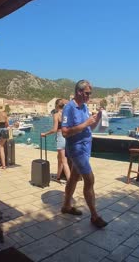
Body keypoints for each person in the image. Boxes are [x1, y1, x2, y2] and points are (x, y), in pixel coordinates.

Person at [60, 79, 108, 228]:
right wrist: (85, 124)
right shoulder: (69, 108)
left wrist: (96, 120)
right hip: (76, 149)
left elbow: (89, 128)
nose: (89, 96)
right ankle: (94, 216)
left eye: (90, 93)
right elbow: (65, 132)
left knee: (74, 178)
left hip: (86, 147)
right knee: (89, 180)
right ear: (79, 92)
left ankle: (66, 206)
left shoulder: (84, 107)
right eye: (87, 93)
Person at [41, 99, 70, 183]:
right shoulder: (66, 114)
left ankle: (70, 182)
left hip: (60, 137)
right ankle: (58, 177)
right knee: (59, 158)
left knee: (64, 161)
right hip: (67, 137)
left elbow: (54, 129)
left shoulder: (56, 115)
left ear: (57, 106)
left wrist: (45, 134)